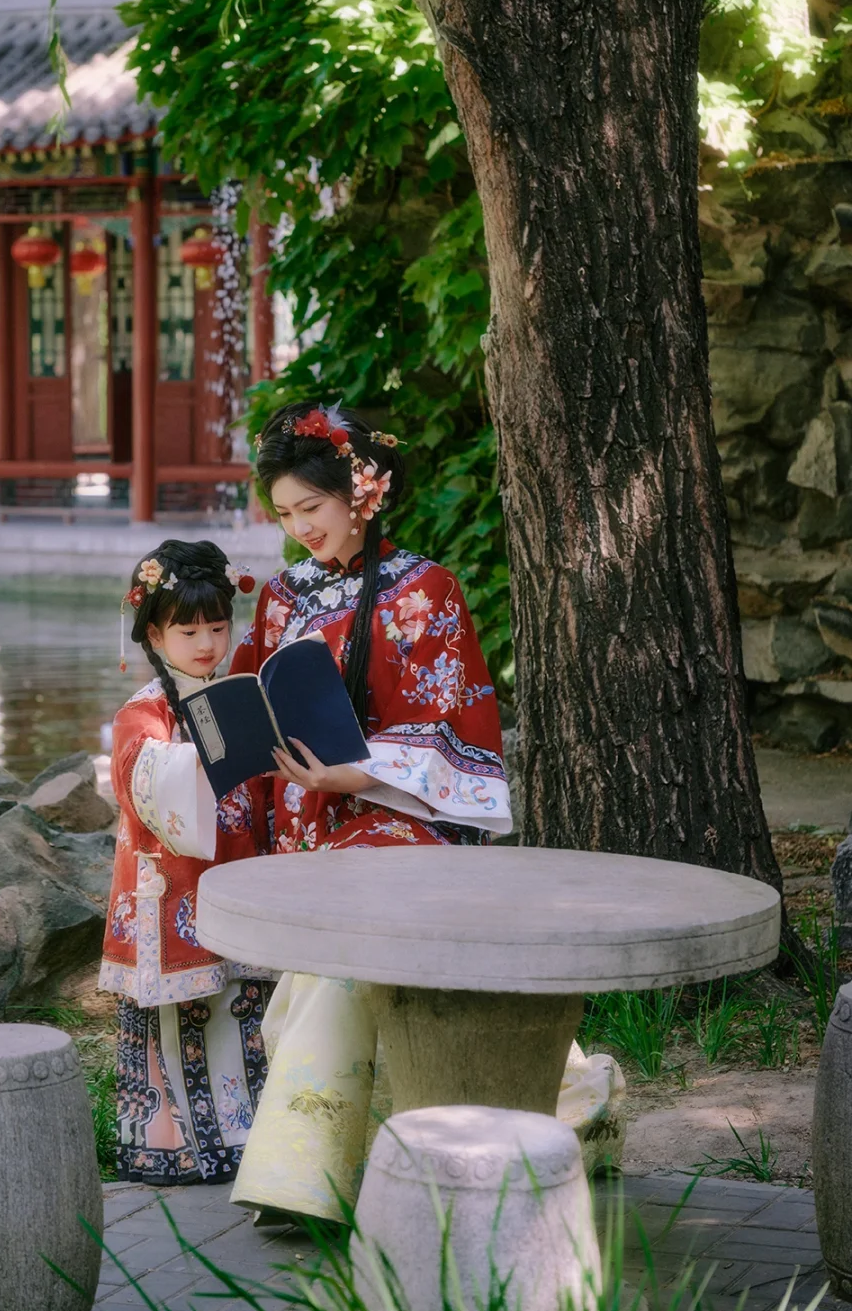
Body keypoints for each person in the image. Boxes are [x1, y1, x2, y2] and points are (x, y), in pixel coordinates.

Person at [229, 401, 625, 1222]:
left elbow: (454, 732)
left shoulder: (428, 590)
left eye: (313, 508)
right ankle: (574, 1094)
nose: (300, 528)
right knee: (323, 960)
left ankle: (301, 1179)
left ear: (362, 495)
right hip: (309, 817)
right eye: (285, 515)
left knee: (337, 964)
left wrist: (354, 777)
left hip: (399, 816)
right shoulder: (279, 599)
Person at [98, 539, 275, 1186]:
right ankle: (174, 1145)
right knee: (178, 1020)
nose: (206, 643)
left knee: (240, 1004)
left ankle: (247, 1135)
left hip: (236, 876)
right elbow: (139, 781)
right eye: (188, 629)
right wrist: (186, 757)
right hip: (169, 888)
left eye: (218, 626)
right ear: (154, 633)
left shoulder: (238, 692)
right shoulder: (143, 713)